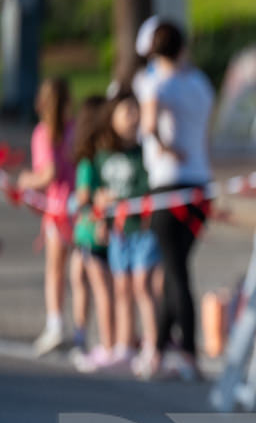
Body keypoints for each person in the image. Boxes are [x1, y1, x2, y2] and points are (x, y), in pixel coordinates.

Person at [139, 20, 214, 382]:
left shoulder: (156, 82)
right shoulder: (199, 84)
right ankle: (158, 348)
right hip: (201, 186)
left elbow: (150, 124)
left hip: (169, 184)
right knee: (176, 266)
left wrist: (167, 149)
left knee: (175, 270)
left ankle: (185, 350)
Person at [97, 93, 162, 379]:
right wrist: (102, 210)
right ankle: (124, 345)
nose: (133, 118)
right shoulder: (103, 156)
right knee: (121, 288)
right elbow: (98, 194)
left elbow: (148, 189)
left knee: (142, 287)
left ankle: (152, 344)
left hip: (142, 231)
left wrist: (120, 199)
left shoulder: (143, 153)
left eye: (136, 111)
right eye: (126, 112)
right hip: (118, 233)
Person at [19, 78, 75, 355]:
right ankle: (81, 327)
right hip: (79, 205)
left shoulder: (44, 132)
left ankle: (55, 324)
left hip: (57, 209)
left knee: (55, 269)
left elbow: (48, 174)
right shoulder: (74, 129)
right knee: (80, 271)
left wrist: (26, 179)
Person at [68, 97, 118, 372]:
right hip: (92, 233)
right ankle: (100, 341)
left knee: (100, 289)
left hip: (90, 234)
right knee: (98, 287)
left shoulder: (91, 161)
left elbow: (84, 197)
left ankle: (106, 344)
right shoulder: (97, 159)